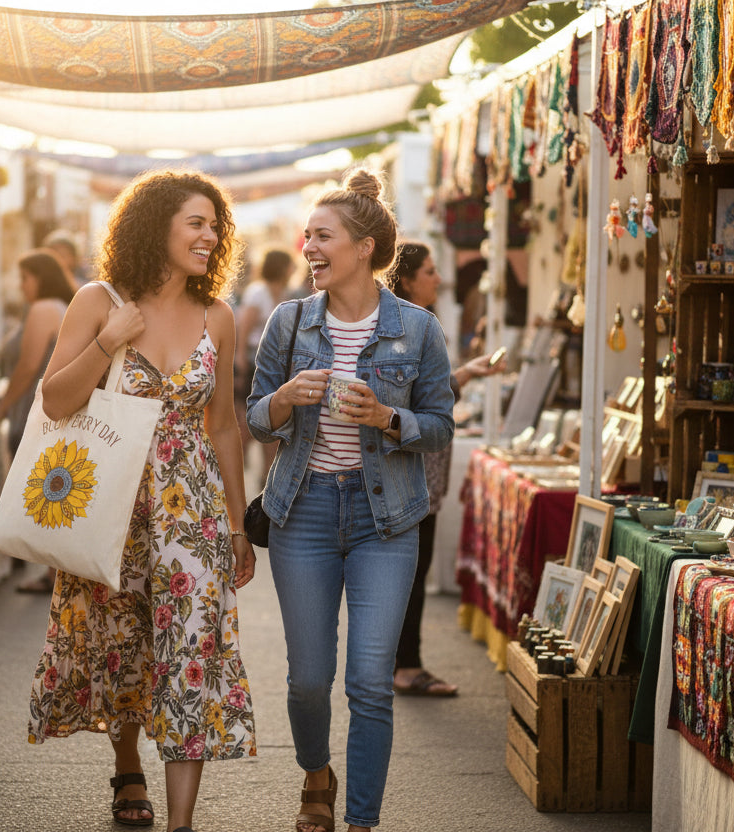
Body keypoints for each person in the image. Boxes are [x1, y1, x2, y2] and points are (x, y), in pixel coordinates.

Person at [27, 170, 257, 832]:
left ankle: (182, 823)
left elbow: (222, 426)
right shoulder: (99, 301)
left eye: (216, 225)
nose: (211, 236)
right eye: (197, 223)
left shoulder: (218, 316)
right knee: (120, 648)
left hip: (192, 510)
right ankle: (128, 766)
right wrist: (108, 341)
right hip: (111, 505)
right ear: (157, 226)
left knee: (190, 654)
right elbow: (55, 399)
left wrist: (238, 526)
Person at [246, 170, 455, 832]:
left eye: (323, 235)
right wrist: (283, 401)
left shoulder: (417, 329)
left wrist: (389, 420)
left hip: (384, 520)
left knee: (369, 681)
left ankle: (360, 820)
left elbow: (441, 425)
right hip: (301, 513)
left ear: (363, 248)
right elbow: (253, 417)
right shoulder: (290, 321)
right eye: (307, 235)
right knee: (309, 680)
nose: (309, 245)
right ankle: (317, 774)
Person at [389, 241, 505, 696]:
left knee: (409, 568)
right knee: (412, 569)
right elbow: (423, 397)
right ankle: (406, 664)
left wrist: (469, 371)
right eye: (430, 271)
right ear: (407, 278)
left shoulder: (405, 322)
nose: (439, 279)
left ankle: (399, 661)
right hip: (418, 464)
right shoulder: (415, 324)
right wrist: (467, 375)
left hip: (420, 461)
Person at [0, 248, 78, 594]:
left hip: (38, 408)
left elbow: (28, 367)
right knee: (53, 491)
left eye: (24, 277)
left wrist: (0, 407)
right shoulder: (61, 305)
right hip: (51, 409)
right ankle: (55, 574)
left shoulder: (44, 308)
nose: (20, 285)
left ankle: (55, 575)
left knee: (45, 493)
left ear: (39, 278)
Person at [234, 248, 294, 473]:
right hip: (252, 360)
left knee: (274, 422)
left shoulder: (285, 292)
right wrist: (240, 359)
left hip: (276, 363)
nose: (293, 269)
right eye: (289, 264)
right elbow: (244, 327)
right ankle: (235, 465)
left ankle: (267, 475)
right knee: (251, 419)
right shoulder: (257, 292)